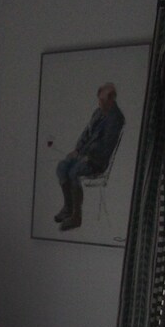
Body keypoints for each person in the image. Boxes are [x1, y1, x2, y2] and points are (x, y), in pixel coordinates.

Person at [54, 82, 124, 231]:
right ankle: (68, 206)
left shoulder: (116, 119)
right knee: (62, 166)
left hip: (98, 161)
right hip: (83, 155)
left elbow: (107, 146)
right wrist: (77, 150)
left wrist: (89, 157)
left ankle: (76, 216)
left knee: (74, 171)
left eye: (103, 101)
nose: (100, 103)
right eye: (99, 100)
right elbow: (86, 133)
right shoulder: (98, 112)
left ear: (112, 100)